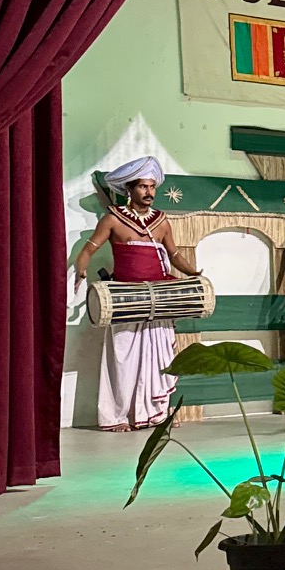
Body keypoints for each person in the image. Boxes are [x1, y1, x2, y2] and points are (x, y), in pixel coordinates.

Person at [74, 156, 204, 431]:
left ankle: (157, 413)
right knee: (123, 359)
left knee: (160, 358)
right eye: (143, 187)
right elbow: (88, 250)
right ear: (129, 190)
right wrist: (81, 271)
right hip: (127, 301)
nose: (150, 193)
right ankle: (116, 417)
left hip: (159, 300)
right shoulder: (113, 219)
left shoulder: (162, 221)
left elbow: (175, 254)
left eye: (152, 187)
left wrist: (193, 274)